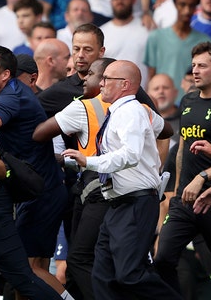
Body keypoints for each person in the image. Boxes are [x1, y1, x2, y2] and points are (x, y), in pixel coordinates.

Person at [61, 60, 181, 300]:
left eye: (107, 79)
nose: (100, 83)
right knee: (102, 275)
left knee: (130, 275)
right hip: (118, 204)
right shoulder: (130, 110)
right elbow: (162, 129)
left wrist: (89, 162)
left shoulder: (130, 111)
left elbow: (131, 154)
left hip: (135, 203)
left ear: (125, 85)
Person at [0, 46, 72, 299]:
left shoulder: (11, 97)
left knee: (29, 269)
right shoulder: (8, 91)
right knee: (27, 273)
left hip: (41, 194)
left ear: (5, 74)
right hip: (35, 190)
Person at [154, 42, 211, 295]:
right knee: (162, 259)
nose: (195, 71)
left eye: (202, 66)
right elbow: (184, 145)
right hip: (184, 200)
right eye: (193, 65)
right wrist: (177, 189)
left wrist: (203, 178)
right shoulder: (188, 99)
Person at [145, 0, 211, 101]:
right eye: (182, 4)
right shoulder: (156, 37)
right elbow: (151, 77)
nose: (187, 10)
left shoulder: (205, 41)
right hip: (162, 105)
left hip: (194, 104)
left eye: (191, 5)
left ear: (196, 6)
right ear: (175, 4)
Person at [100, 0, 149, 87]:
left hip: (142, 94)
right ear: (111, 1)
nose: (119, 1)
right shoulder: (101, 32)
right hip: (111, 95)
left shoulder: (147, 29)